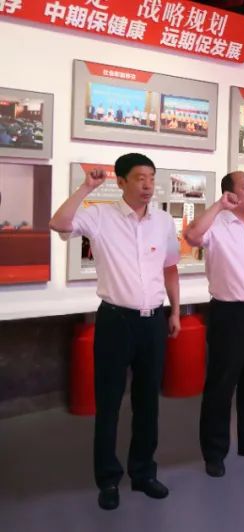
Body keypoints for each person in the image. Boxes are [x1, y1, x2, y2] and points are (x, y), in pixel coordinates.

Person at [49, 153, 181, 510]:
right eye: (139, 178)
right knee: (108, 403)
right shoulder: (100, 216)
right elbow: (59, 223)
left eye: (151, 177)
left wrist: (175, 311)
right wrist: (86, 188)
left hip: (153, 321)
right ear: (121, 182)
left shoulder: (163, 221)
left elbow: (170, 268)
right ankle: (108, 479)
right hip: (115, 321)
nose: (147, 185)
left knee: (148, 402)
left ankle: (144, 472)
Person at [182, 171, 244, 478]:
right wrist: (218, 206)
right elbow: (192, 237)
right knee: (221, 385)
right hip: (230, 315)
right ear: (230, 193)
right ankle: (215, 451)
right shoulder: (216, 225)